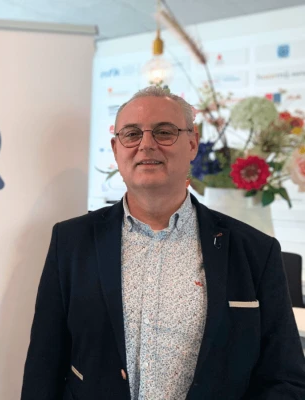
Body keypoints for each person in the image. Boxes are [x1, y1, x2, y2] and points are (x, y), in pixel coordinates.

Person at [21, 86, 305, 399]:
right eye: (132, 134)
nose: (146, 145)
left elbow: (284, 378)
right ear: (116, 149)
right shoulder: (71, 243)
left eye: (164, 132)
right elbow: (43, 368)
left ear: (193, 143)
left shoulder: (255, 251)